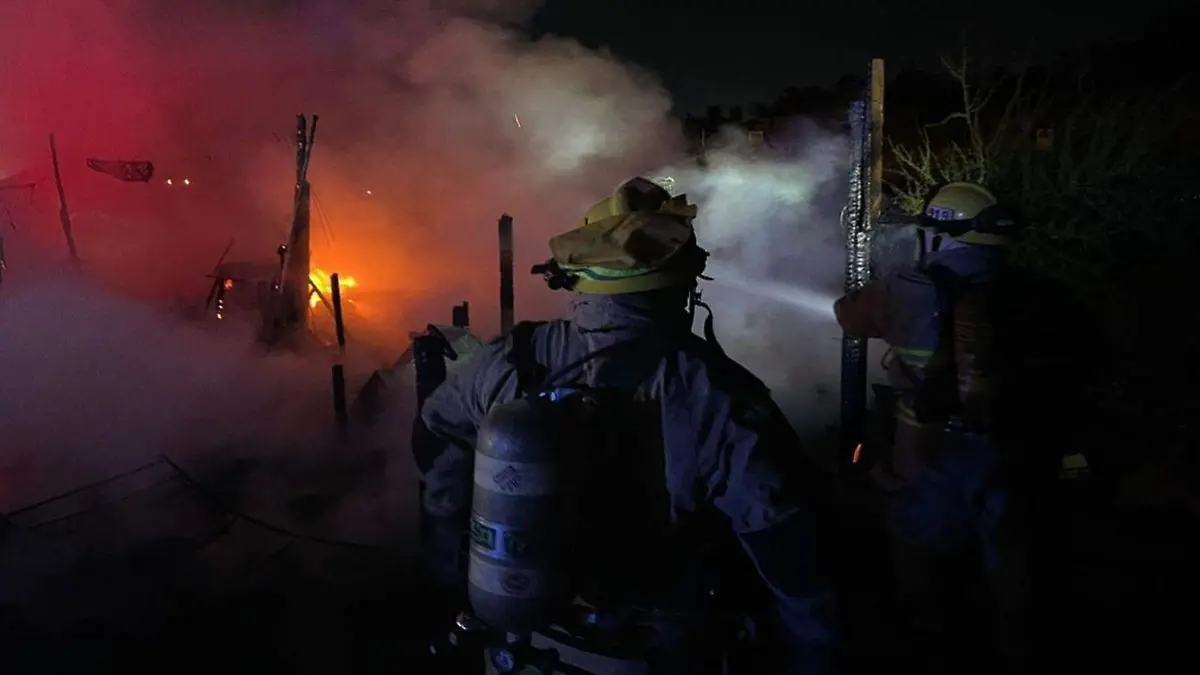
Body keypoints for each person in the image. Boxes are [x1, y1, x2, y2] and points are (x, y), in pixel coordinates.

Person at [414, 177, 837, 674]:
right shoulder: (718, 394)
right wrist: (817, 649)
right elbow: (784, 540)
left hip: (518, 639)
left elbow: (435, 443)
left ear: (576, 276)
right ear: (681, 282)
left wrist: (458, 568)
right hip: (652, 648)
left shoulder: (510, 358)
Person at [833, 182, 1028, 674]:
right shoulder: (1028, 293)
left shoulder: (907, 288)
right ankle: (1015, 648)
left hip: (928, 446)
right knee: (1007, 553)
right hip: (1009, 442)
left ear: (938, 238)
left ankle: (931, 648)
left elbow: (847, 315)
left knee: (920, 549)